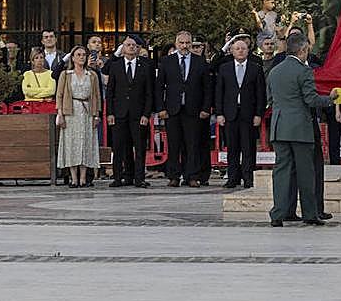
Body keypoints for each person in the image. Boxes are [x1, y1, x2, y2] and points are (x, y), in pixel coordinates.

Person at [266, 32, 336, 226]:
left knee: (282, 172)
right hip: (300, 129)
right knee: (306, 172)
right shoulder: (303, 71)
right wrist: (331, 99)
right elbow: (311, 100)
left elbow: (270, 99)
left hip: (279, 127)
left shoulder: (275, 71)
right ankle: (310, 213)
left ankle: (278, 213)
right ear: (303, 50)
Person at [156, 30, 213, 187]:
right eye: (181, 43)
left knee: (192, 144)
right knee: (174, 144)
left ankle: (192, 176)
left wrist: (206, 108)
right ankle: (174, 176)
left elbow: (207, 88)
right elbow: (159, 87)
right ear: (176, 43)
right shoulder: (166, 61)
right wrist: (160, 108)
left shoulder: (200, 62)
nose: (184, 46)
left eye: (188, 43)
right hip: (172, 110)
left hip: (193, 110)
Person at [214, 36, 266, 189]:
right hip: (229, 114)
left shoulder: (255, 68)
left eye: (243, 48)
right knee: (232, 148)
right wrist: (219, 113)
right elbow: (219, 92)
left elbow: (260, 94)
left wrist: (258, 114)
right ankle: (233, 178)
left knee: (248, 148)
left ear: (248, 50)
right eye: (237, 48)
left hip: (248, 115)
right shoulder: (224, 68)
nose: (241, 51)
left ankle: (248, 178)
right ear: (232, 51)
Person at [104, 35, 155, 188]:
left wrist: (146, 114)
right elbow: (110, 92)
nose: (131, 47)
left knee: (139, 147)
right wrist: (110, 113)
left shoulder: (145, 66)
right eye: (128, 45)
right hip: (119, 113)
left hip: (138, 114)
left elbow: (149, 93)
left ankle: (139, 178)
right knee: (119, 147)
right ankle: (119, 177)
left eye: (134, 45)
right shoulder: (116, 65)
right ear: (123, 48)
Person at [56, 45, 102, 188]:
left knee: (85, 143)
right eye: (79, 55)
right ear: (73, 57)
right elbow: (60, 95)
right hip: (71, 111)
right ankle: (73, 177)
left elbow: (96, 96)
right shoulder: (66, 74)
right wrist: (60, 114)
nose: (82, 57)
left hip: (87, 111)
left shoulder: (92, 75)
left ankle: (83, 178)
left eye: (84, 55)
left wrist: (96, 115)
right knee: (71, 144)